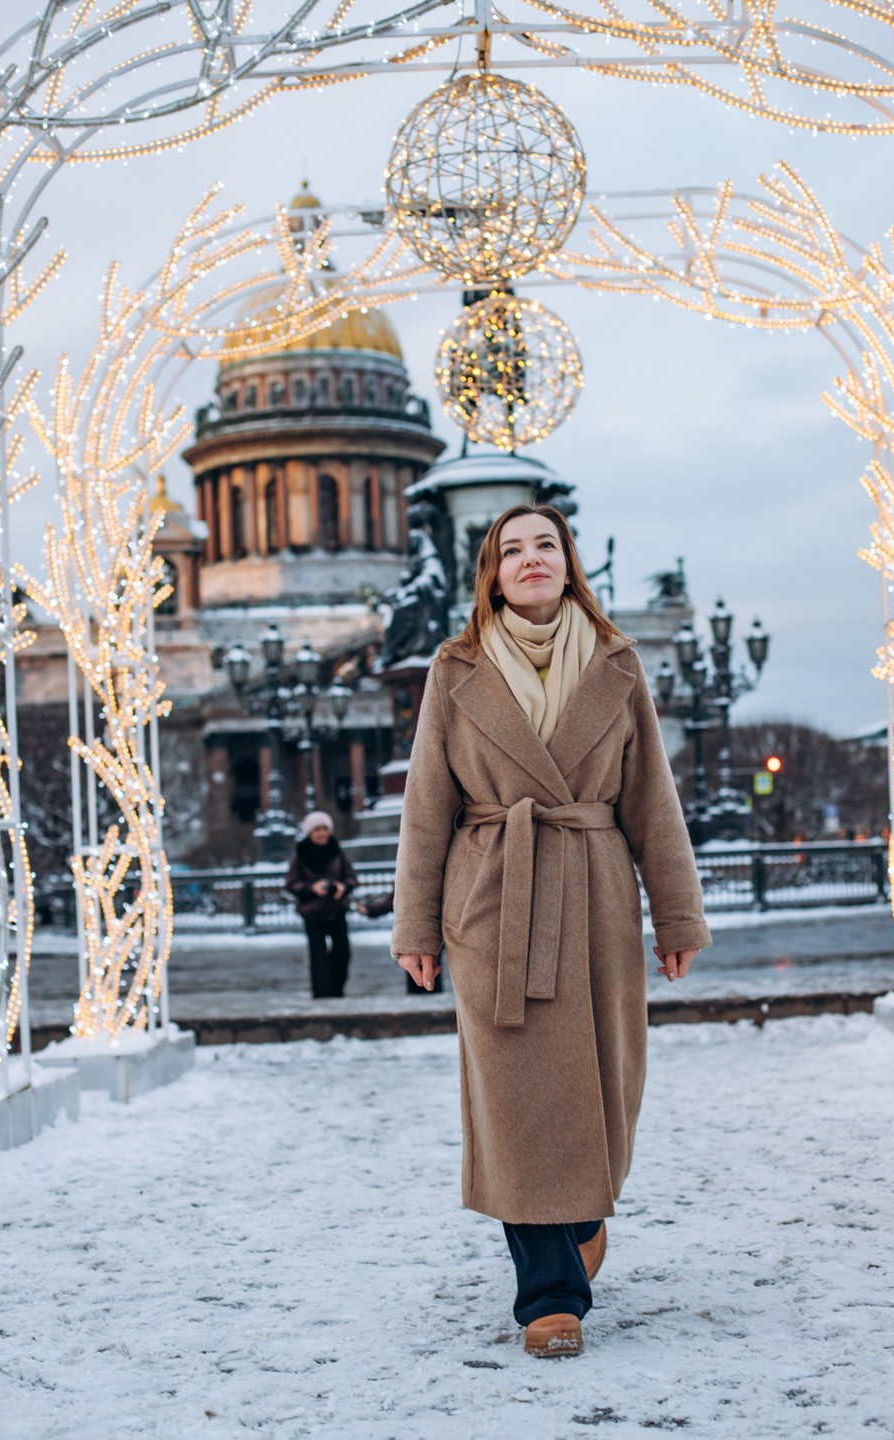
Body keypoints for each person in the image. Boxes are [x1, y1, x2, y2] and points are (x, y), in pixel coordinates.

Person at [391, 504, 711, 1359]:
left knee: (602, 1082)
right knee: (515, 1096)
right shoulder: (453, 669)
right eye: (511, 550)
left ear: (570, 564)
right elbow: (427, 807)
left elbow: (653, 801)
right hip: (496, 895)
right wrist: (416, 922)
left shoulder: (617, 663)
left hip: (595, 887)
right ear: (491, 574)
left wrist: (678, 913)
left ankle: (578, 1211)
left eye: (547, 546)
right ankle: (550, 1295)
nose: (531, 560)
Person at [286, 811, 357, 999]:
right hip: (313, 912)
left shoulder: (337, 850)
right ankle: (322, 993)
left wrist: (343, 886)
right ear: (309, 832)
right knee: (318, 956)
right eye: (317, 829)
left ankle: (337, 989)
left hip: (336, 909)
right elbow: (291, 883)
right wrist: (312, 888)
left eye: (325, 829)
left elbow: (351, 876)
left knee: (343, 953)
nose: (322, 833)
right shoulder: (300, 853)